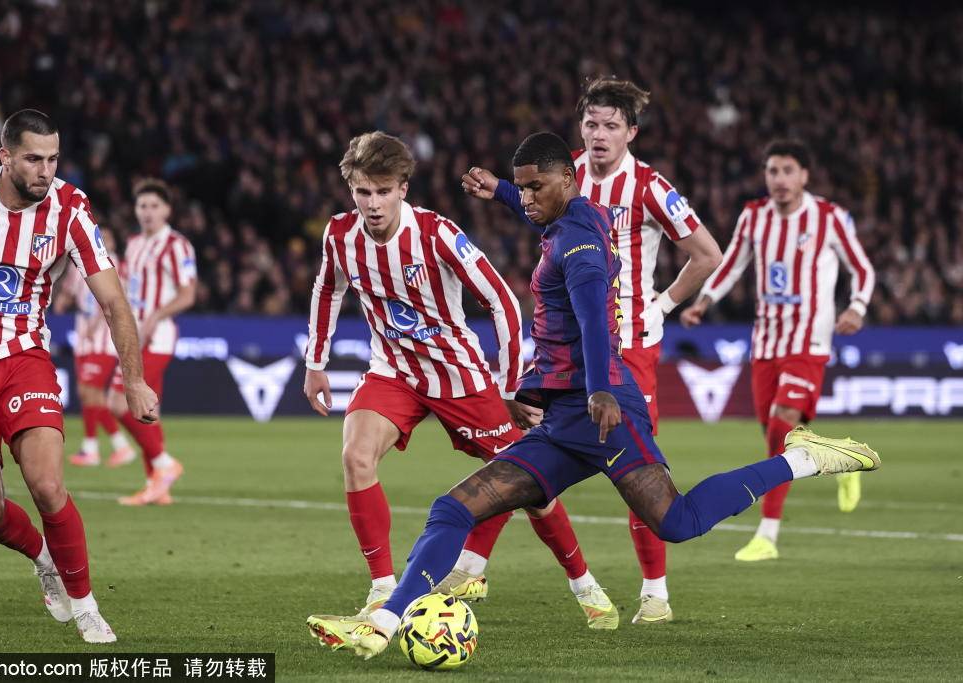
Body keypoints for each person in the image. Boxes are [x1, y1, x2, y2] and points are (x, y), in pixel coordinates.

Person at [306, 132, 880, 659]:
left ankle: (802, 458)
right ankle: (382, 623)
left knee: (677, 521)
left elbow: (593, 320)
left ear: (567, 179)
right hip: (561, 419)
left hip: (605, 413)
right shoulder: (573, 217)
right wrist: (502, 190)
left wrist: (602, 388)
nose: (527, 199)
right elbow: (540, 213)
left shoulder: (579, 243)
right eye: (523, 187)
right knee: (452, 508)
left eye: (534, 187)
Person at [304, 131, 619, 630]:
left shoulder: (436, 234)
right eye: (363, 192)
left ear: (403, 189)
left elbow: (502, 302)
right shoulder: (340, 235)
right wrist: (315, 362)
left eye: (383, 191)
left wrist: (511, 387)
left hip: (458, 375)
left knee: (531, 486)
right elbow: (328, 289)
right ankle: (383, 590)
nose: (373, 204)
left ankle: (584, 584)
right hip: (394, 371)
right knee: (355, 456)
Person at [460, 77, 723, 624]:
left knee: (638, 470)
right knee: (525, 451)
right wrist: (502, 191)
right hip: (568, 348)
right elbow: (540, 209)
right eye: (591, 124)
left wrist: (663, 304)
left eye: (611, 126)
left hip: (631, 349)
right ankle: (471, 565)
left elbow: (707, 254)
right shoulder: (566, 173)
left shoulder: (651, 187)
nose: (599, 134)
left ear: (632, 132)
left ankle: (654, 592)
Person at [0, 109, 159, 643]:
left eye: (53, 159)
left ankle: (86, 606)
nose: (46, 171)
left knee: (46, 483)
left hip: (24, 360)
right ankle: (43, 559)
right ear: (5, 157)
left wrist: (133, 380)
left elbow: (114, 301)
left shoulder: (69, 208)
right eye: (33, 159)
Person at [680, 139, 876, 562]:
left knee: (781, 423)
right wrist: (704, 301)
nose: (780, 179)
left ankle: (767, 533)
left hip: (809, 339)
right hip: (766, 341)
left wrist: (857, 307)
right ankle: (840, 459)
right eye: (773, 171)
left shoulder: (829, 217)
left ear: (804, 175)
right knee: (781, 436)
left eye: (788, 170)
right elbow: (733, 263)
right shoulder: (754, 216)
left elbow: (862, 267)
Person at [111, 179, 197, 506]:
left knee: (118, 401)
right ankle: (157, 487)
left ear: (167, 210)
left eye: (154, 206)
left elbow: (188, 294)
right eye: (142, 206)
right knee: (147, 411)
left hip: (157, 338)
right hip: (134, 335)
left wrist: (154, 318)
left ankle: (163, 464)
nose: (147, 212)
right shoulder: (134, 244)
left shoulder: (176, 245)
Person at [54, 227, 135, 467]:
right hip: (83, 338)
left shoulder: (117, 266)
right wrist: (62, 301)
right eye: (101, 236)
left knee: (92, 390)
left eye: (108, 237)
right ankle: (114, 447)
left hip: (104, 340)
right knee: (86, 393)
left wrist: (96, 324)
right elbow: (69, 289)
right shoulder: (79, 263)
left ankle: (96, 448)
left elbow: (114, 301)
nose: (104, 241)